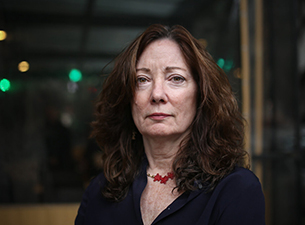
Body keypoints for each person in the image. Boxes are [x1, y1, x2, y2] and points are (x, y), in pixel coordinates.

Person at [75, 24, 265, 225]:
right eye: (142, 79)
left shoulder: (236, 190)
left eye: (176, 78)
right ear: (128, 98)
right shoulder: (99, 192)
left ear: (201, 95)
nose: (157, 94)